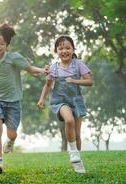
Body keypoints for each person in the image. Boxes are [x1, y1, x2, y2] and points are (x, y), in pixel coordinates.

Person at [0, 23, 49, 174]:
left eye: (1, 44)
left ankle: (10, 141)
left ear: (7, 45)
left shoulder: (14, 58)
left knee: (12, 133)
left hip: (13, 101)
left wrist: (42, 70)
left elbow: (29, 69)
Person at [37, 35, 93, 174]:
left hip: (76, 101)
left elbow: (89, 81)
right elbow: (48, 84)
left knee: (77, 135)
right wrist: (42, 98)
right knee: (69, 120)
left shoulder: (78, 64)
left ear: (73, 49)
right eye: (61, 48)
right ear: (56, 51)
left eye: (68, 48)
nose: (64, 51)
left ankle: (78, 162)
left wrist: (75, 81)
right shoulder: (53, 68)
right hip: (60, 101)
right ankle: (73, 153)